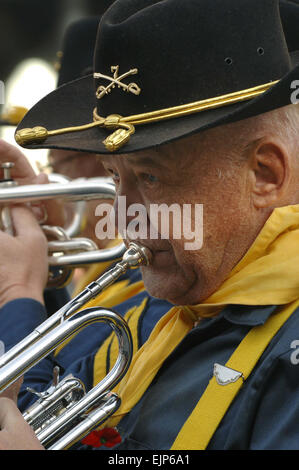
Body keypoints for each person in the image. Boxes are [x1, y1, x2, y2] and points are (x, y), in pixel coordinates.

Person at [1, 0, 299, 451]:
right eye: (114, 178)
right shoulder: (165, 314)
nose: (121, 216)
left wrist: (18, 291)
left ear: (264, 175)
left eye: (151, 177)